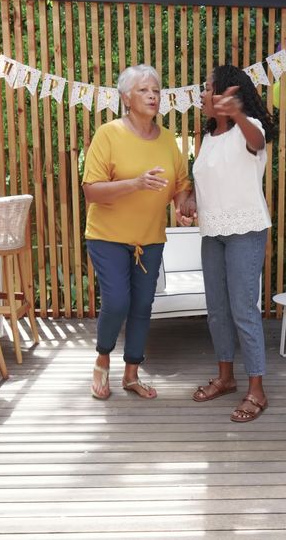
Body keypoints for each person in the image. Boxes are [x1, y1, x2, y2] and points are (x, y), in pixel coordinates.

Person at [83, 64, 194, 401]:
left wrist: (180, 205)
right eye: (144, 90)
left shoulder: (168, 141)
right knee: (117, 301)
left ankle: (132, 374)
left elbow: (180, 184)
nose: (152, 96)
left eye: (156, 91)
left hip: (150, 239)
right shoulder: (109, 134)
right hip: (107, 236)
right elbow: (91, 190)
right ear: (126, 98)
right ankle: (102, 360)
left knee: (143, 305)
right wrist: (135, 183)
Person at [187, 64, 276, 422]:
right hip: (212, 232)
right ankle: (226, 378)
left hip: (246, 230)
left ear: (227, 93)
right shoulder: (209, 137)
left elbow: (257, 142)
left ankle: (257, 389)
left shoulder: (249, 127)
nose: (202, 94)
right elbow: (206, 178)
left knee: (243, 309)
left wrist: (238, 114)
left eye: (208, 87)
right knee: (217, 311)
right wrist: (192, 199)